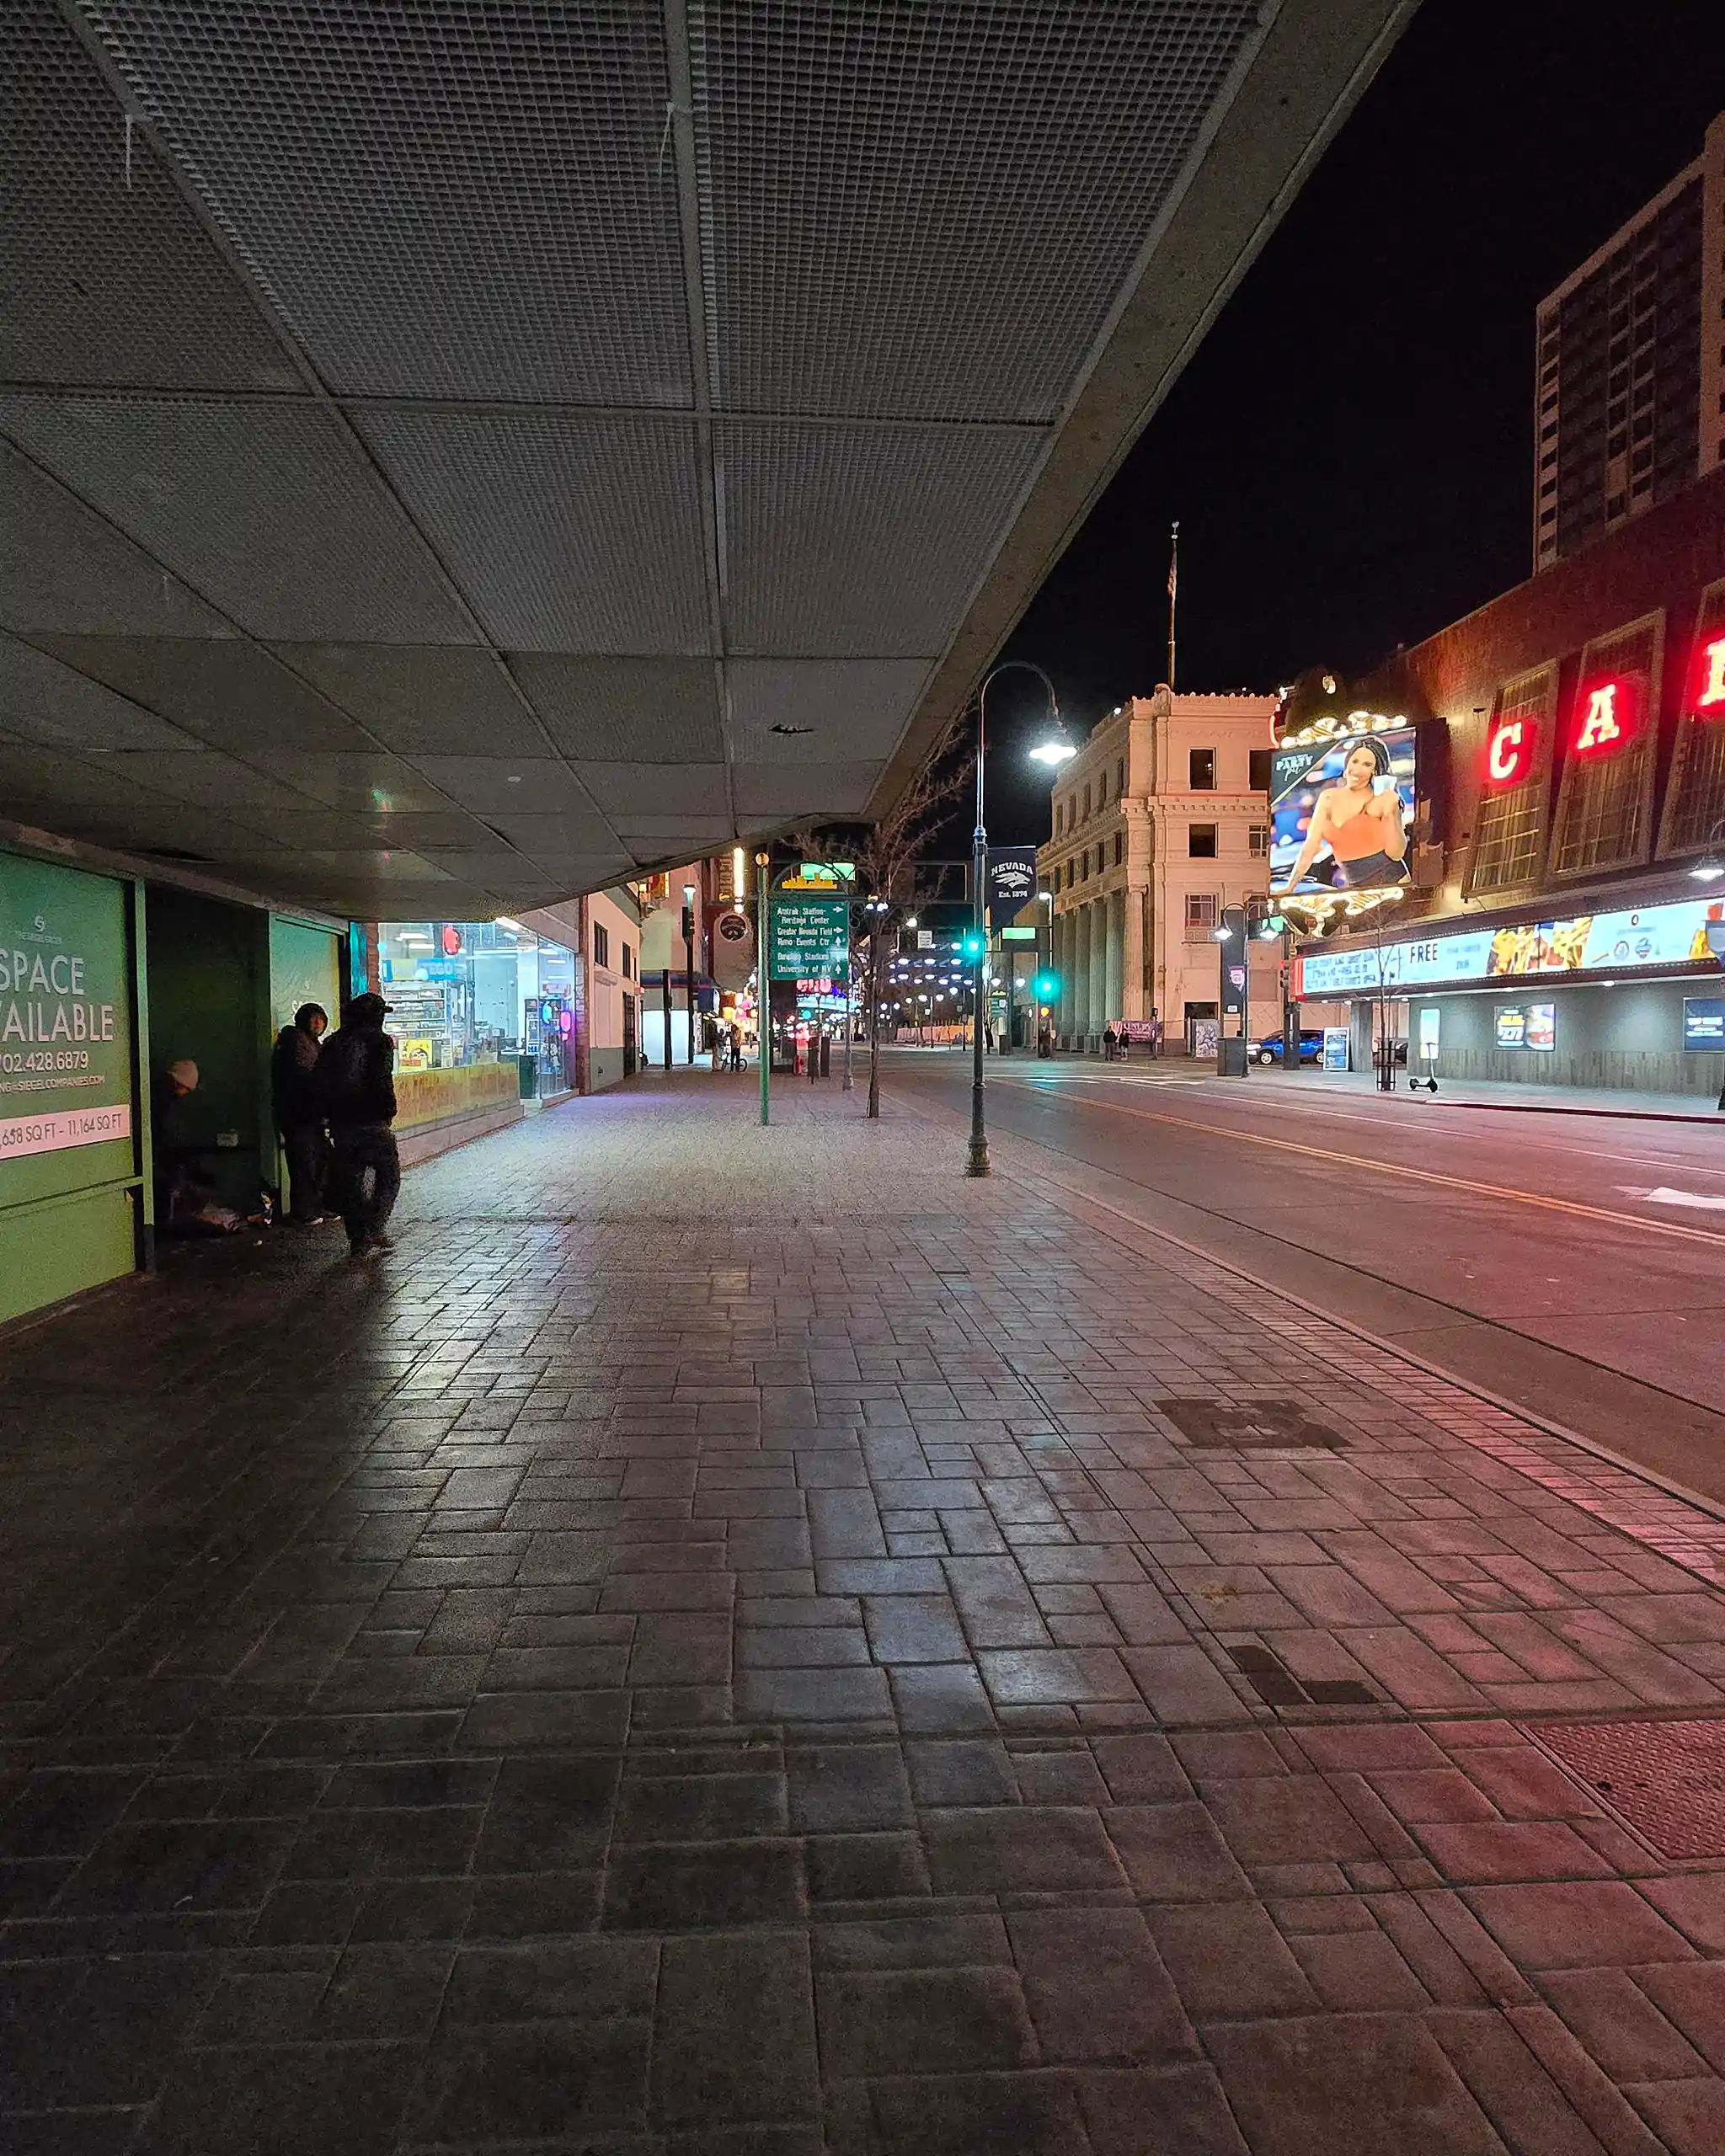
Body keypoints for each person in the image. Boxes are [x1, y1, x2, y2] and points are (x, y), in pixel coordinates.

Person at [318, 993, 399, 1259]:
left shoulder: (333, 1042)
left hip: (342, 1124)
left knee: (351, 1182)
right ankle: (374, 1227)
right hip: (372, 1121)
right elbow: (381, 1081)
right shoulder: (379, 1042)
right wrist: (388, 1110)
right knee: (388, 1176)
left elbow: (320, 1080)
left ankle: (358, 1240)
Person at [1276, 734, 1410, 893]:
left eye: (1366, 764)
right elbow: (1310, 847)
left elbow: (1396, 854)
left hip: (1394, 882)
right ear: (1347, 763)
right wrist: (1289, 887)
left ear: (1374, 771)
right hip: (1355, 888)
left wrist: (1392, 812)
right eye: (1355, 761)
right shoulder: (1328, 798)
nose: (1358, 769)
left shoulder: (1382, 800)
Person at [151, 1059, 242, 1234]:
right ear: (180, 1083)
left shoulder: (161, 1094)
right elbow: (162, 1129)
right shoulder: (163, 1099)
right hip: (161, 1152)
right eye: (187, 1089)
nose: (185, 1094)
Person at [270, 1001, 331, 1225]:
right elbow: (307, 1076)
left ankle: (314, 1208)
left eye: (320, 1019)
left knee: (314, 1162)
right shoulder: (298, 1042)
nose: (317, 1023)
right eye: (313, 1019)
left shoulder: (311, 1043)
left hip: (309, 1115)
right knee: (304, 1164)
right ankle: (304, 1212)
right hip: (299, 1115)